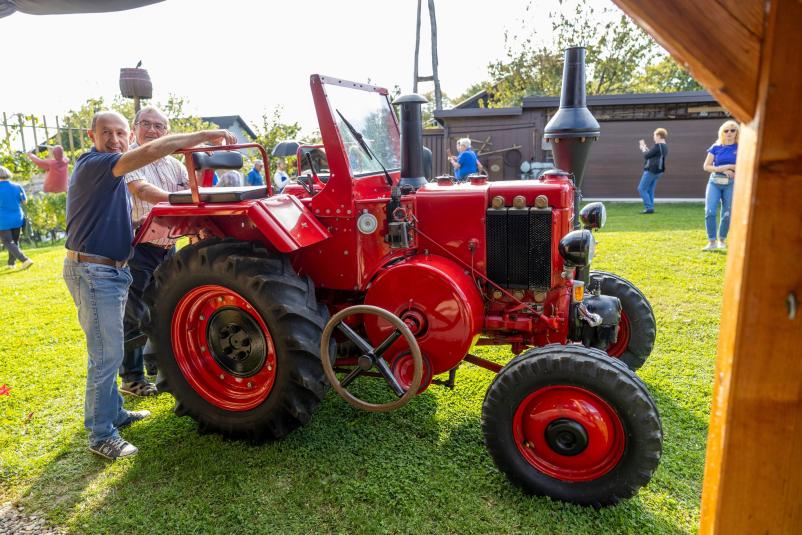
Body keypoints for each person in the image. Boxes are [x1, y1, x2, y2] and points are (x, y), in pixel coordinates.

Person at [63, 109, 235, 460]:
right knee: (105, 354)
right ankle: (100, 435)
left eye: (119, 133)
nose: (114, 139)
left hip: (113, 268)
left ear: (128, 135)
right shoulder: (96, 163)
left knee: (110, 347)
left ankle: (114, 413)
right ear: (91, 136)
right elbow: (152, 153)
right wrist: (202, 136)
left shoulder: (109, 172)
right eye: (106, 133)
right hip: (95, 272)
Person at [119, 106, 189, 396]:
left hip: (167, 245)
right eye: (146, 124)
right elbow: (143, 191)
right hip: (137, 246)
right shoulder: (130, 159)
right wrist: (178, 199)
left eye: (159, 126)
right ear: (134, 129)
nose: (152, 130)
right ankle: (131, 379)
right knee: (134, 314)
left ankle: (158, 367)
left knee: (165, 308)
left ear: (167, 132)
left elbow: (191, 192)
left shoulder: (176, 166)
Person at [702, 120, 739, 251]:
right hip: (714, 182)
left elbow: (745, 164)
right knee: (710, 211)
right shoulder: (716, 146)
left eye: (732, 130)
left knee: (727, 213)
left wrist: (731, 167)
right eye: (726, 130)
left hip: (731, 184)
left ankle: (722, 240)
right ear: (722, 132)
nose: (729, 133)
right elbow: (706, 166)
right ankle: (711, 242)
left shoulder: (740, 147)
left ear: (736, 132)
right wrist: (724, 169)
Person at [0, 166, 33, 270]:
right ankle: (11, 264)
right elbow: (24, 201)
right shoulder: (17, 186)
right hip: (18, 218)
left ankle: (25, 259)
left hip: (3, 219)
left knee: (7, 241)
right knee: (14, 241)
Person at [636, 128, 669, 214]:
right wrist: (645, 148)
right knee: (650, 190)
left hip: (652, 170)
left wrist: (643, 147)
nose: (653, 137)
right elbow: (651, 154)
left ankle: (649, 207)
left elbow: (646, 156)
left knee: (641, 188)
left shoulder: (658, 146)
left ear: (658, 136)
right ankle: (651, 207)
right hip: (658, 171)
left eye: (654, 135)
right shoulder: (664, 146)